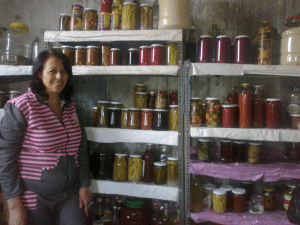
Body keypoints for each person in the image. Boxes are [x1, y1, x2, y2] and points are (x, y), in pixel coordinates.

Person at [0, 49, 91, 225]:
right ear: (40, 73)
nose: (59, 76)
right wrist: (14, 205)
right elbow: (5, 158)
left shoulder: (71, 107)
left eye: (64, 71)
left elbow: (81, 148)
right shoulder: (21, 107)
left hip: (69, 194)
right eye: (53, 70)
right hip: (32, 196)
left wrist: (84, 184)